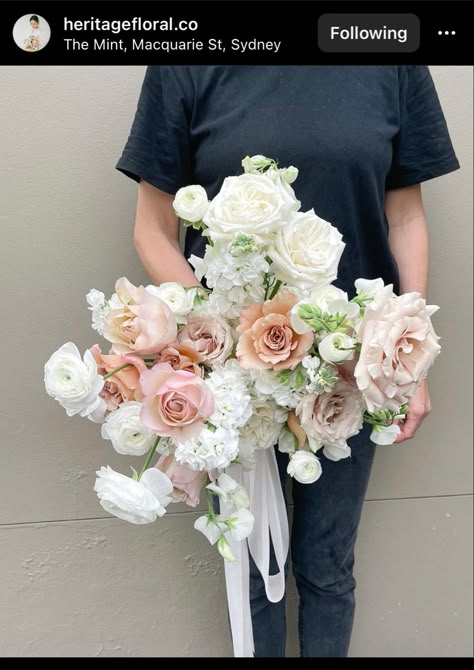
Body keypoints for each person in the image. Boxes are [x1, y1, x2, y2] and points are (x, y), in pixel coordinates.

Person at [115, 66, 459, 657]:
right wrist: (215, 336)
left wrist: (407, 357)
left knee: (327, 566)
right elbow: (153, 229)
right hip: (231, 379)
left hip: (348, 371)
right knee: (252, 568)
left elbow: (403, 216)